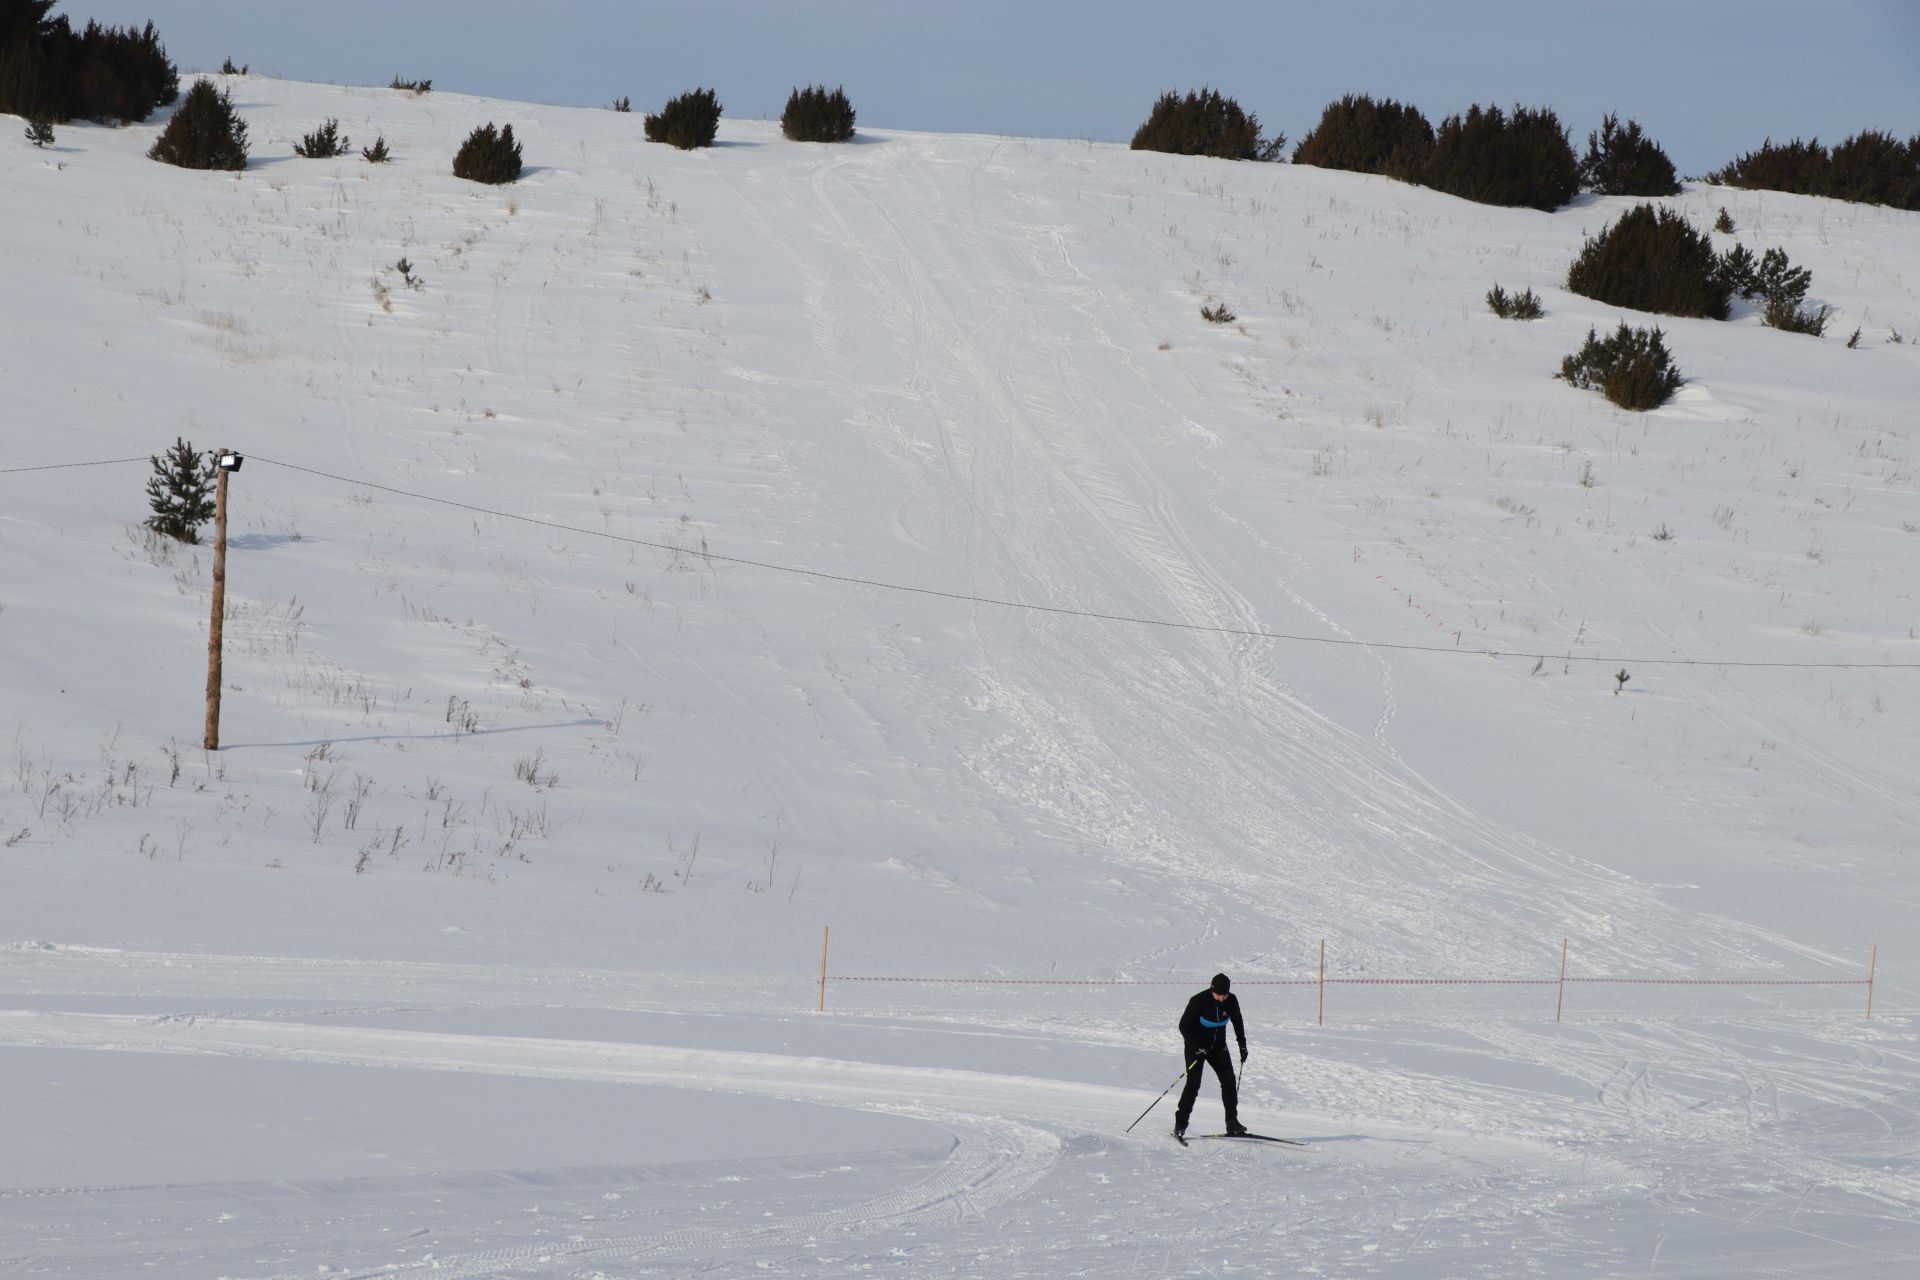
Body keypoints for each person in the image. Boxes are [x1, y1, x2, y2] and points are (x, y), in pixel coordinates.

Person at [1174, 972, 1247, 1139]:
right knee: (1193, 1084)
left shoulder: (1232, 1000)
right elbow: (1183, 1026)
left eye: (1225, 994)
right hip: (1196, 1047)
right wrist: (1196, 1046)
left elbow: (1238, 1022)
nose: (1221, 998)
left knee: (1228, 1081)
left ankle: (1232, 1122)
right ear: (1212, 990)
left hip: (1218, 1047)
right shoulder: (1198, 1000)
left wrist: (1242, 1045)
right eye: (1218, 994)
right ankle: (1180, 1124)